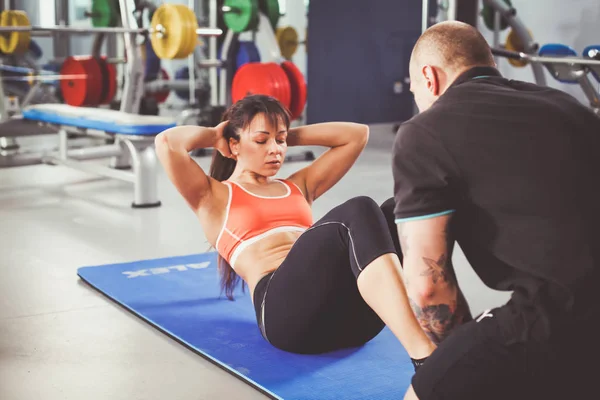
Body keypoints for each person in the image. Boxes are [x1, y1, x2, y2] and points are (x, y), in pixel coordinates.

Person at [392, 21, 600, 400]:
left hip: (559, 318)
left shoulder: (424, 131)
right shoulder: (566, 106)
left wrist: (457, 359)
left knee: (424, 392)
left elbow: (426, 288)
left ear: (429, 77)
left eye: (415, 89)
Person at [154, 94, 436, 365]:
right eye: (262, 140)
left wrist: (284, 131)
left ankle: (436, 316)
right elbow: (167, 142)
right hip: (287, 318)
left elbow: (357, 135)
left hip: (350, 323)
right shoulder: (213, 197)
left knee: (397, 209)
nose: (275, 149)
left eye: (280, 141)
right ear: (234, 145)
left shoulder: (296, 186)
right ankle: (423, 354)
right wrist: (216, 135)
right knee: (359, 208)